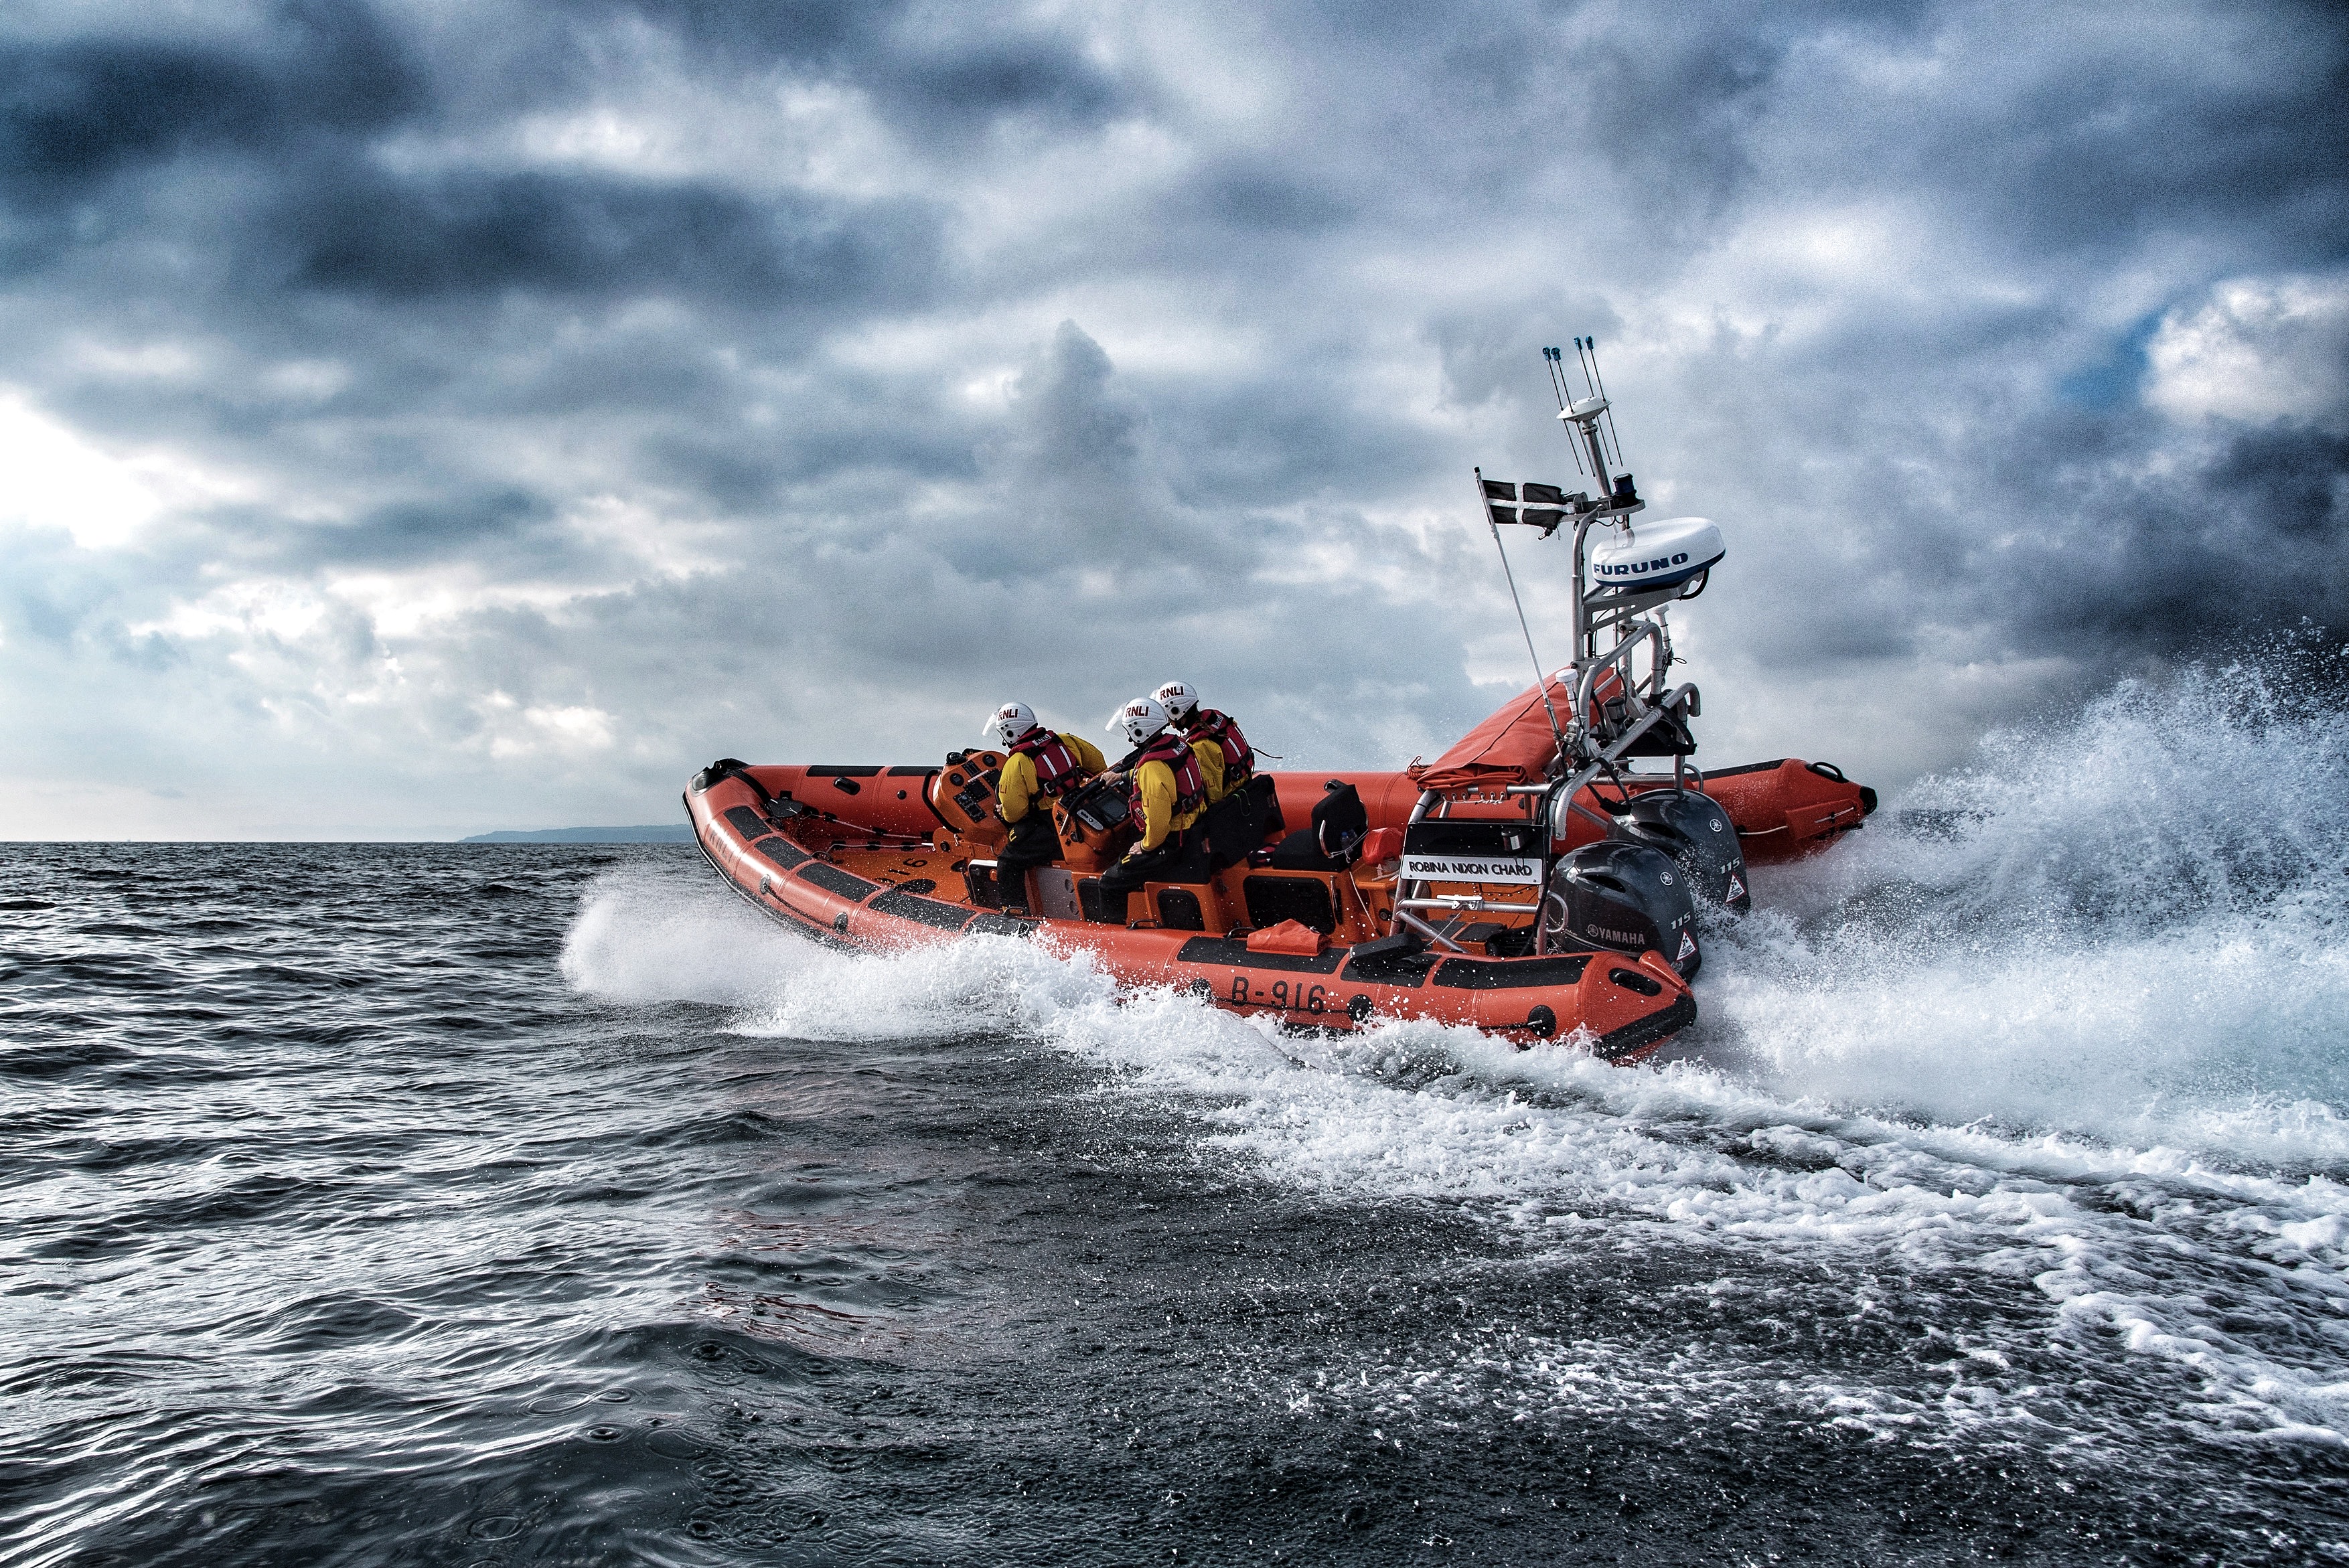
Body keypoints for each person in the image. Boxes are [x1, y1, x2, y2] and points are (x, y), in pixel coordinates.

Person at [982, 701, 1105, 916]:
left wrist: (1002, 812)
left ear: (1010, 732)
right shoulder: (1067, 741)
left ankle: (1014, 912)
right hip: (1085, 815)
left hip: (1050, 828)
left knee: (1009, 861)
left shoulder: (1017, 762)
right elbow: (1099, 766)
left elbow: (1014, 812)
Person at [1093, 696, 1209, 922]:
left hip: (1172, 842)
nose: (1128, 737)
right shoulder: (1177, 745)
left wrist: (1145, 846)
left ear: (1140, 732)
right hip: (1195, 826)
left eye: (1130, 732)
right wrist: (1121, 776)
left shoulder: (1152, 768)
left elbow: (1157, 823)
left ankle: (1114, 943)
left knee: (1109, 881)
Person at [1153, 680, 1272, 869]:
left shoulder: (1200, 746)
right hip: (1245, 782)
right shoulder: (1214, 718)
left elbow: (1213, 795)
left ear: (1178, 712)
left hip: (1231, 801)